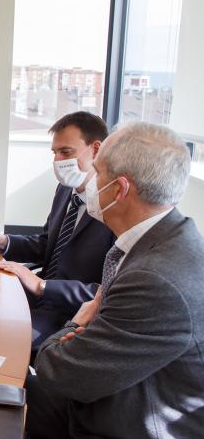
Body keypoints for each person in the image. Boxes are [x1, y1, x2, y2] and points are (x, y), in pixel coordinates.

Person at [26, 121, 204, 438]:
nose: (89, 183)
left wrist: (76, 324)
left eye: (97, 172)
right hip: (116, 388)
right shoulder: (169, 236)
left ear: (119, 189)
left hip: (123, 419)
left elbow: (59, 373)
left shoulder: (156, 280)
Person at [0, 112, 115, 352]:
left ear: (96, 150)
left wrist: (43, 286)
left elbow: (105, 291)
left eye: (66, 152)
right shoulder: (65, 190)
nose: (58, 161)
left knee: (1, 344)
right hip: (37, 293)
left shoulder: (113, 207)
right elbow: (47, 244)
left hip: (67, 309)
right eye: (55, 153)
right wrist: (5, 242)